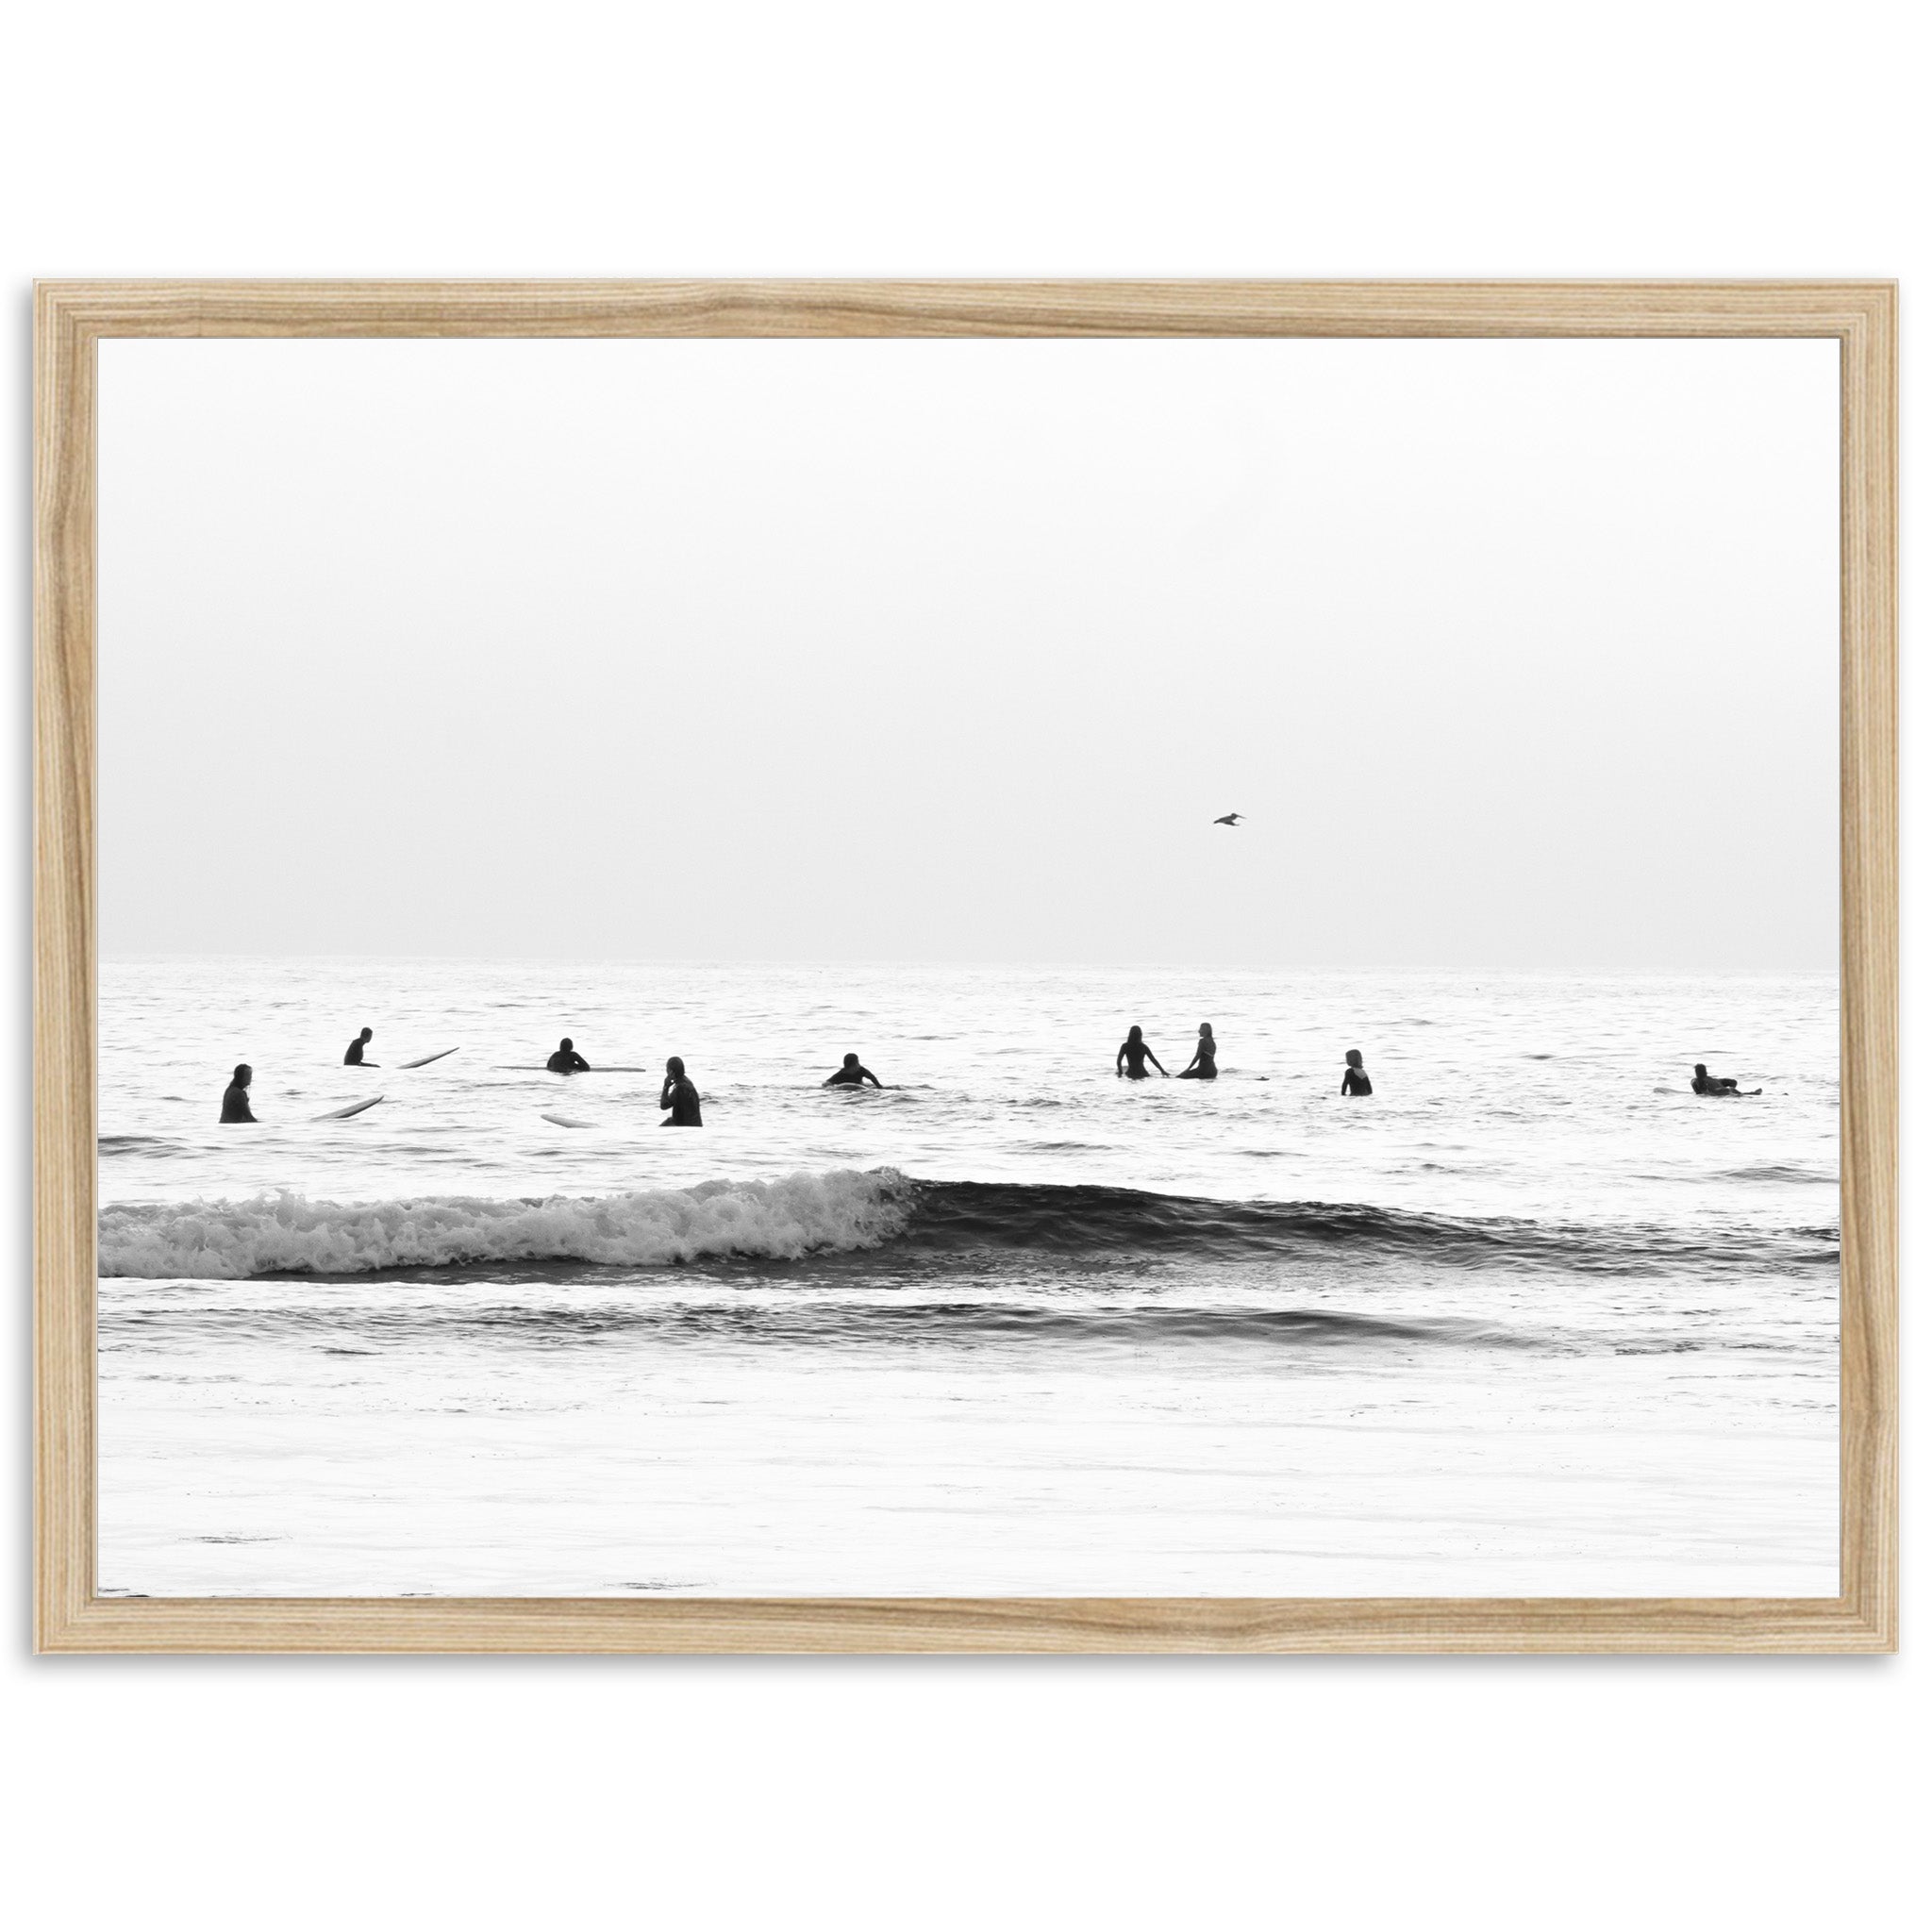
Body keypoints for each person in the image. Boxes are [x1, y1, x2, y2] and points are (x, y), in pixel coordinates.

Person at [660, 1056, 704, 1125]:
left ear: (671, 1071)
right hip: (696, 1124)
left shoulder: (680, 1088)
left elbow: (664, 1106)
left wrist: (666, 1087)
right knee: (668, 1122)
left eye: (667, 1069)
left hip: (686, 1126)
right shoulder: (687, 1082)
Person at [1691, 1063, 1760, 1097]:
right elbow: (1703, 1091)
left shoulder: (1706, 1077)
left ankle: (1735, 1094)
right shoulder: (1697, 1080)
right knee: (1729, 1089)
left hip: (1718, 1083)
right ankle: (1750, 1094)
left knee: (1733, 1082)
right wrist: (1712, 1094)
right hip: (1716, 1090)